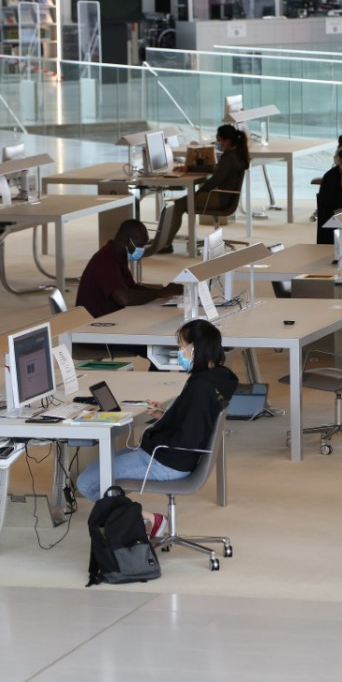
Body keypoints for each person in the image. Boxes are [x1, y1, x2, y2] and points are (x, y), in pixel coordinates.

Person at [76, 319, 239, 539]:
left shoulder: (200, 386)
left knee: (86, 483)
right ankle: (131, 519)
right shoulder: (217, 379)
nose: (179, 352)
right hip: (172, 455)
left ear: (195, 349)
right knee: (100, 475)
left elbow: (188, 436)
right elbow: (196, 422)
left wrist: (156, 433)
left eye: (182, 346)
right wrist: (165, 417)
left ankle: (147, 518)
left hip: (166, 460)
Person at [75, 219, 182, 319]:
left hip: (111, 317)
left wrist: (163, 291)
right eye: (140, 245)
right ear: (127, 241)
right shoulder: (105, 260)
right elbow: (124, 298)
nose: (142, 250)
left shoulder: (118, 255)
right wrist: (159, 294)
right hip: (94, 323)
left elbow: (132, 288)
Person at [169, 124, 249, 237]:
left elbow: (215, 180)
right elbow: (215, 168)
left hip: (219, 199)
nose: (217, 143)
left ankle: (165, 243)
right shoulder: (237, 154)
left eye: (219, 140)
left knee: (177, 205)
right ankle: (165, 241)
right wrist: (189, 168)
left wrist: (198, 193)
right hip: (225, 198)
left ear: (227, 141)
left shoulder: (229, 157)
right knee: (182, 202)